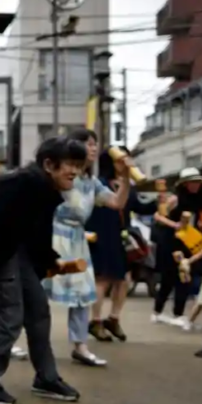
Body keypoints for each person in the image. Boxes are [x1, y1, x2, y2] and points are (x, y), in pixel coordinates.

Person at [0, 136, 88, 404]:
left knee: (38, 311)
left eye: (79, 165)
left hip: (18, 253)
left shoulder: (46, 189)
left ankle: (46, 378)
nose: (75, 171)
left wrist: (49, 262)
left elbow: (37, 233)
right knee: (10, 316)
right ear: (49, 164)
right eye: (69, 164)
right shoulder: (24, 184)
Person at [44, 130, 134, 368]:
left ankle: (80, 346)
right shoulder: (58, 174)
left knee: (82, 296)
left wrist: (125, 178)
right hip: (52, 237)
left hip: (77, 241)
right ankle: (15, 339)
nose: (93, 149)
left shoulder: (91, 183)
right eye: (88, 144)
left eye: (95, 144)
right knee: (36, 291)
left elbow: (116, 203)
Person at [85, 148, 159, 342]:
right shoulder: (97, 184)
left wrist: (160, 201)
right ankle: (96, 321)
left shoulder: (128, 185)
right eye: (121, 160)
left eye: (127, 159)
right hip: (100, 236)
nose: (125, 163)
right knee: (102, 279)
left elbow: (140, 207)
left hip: (121, 237)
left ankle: (114, 318)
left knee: (124, 279)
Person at [152, 167, 202, 326]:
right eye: (193, 182)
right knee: (168, 278)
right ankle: (157, 311)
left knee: (184, 276)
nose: (196, 185)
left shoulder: (197, 200)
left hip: (187, 243)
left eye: (198, 182)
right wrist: (174, 224)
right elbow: (157, 216)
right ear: (185, 184)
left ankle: (178, 313)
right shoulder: (175, 199)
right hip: (170, 242)